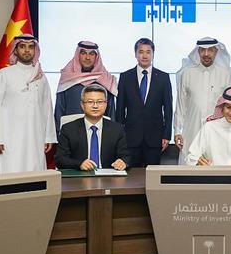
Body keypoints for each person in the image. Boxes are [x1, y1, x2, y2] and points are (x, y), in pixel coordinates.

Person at [0, 34, 56, 173]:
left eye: (31, 47)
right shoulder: (3, 74)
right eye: (22, 46)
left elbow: (47, 108)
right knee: (10, 173)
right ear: (15, 50)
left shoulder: (41, 77)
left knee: (35, 173)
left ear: (35, 50)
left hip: (35, 136)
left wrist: (49, 136)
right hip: (9, 138)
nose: (27, 50)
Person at [174, 37, 231, 164]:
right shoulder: (187, 73)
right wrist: (177, 131)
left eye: (210, 50)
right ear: (198, 52)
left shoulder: (226, 74)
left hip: (218, 132)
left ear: (216, 52)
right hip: (191, 130)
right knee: (190, 165)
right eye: (202, 50)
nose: (206, 54)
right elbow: (180, 106)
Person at [115, 38, 172, 166]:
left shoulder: (163, 77)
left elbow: (168, 109)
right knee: (131, 174)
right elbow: (120, 109)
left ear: (153, 54)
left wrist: (167, 135)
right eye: (141, 52)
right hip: (131, 137)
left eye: (148, 52)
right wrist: (119, 136)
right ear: (135, 54)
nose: (144, 55)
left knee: (152, 174)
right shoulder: (125, 77)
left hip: (155, 137)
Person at [55, 84, 130, 170]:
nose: (95, 106)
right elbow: (60, 159)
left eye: (100, 102)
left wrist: (122, 161)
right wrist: (79, 164)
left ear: (106, 104)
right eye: (90, 102)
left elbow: (126, 156)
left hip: (108, 176)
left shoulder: (117, 129)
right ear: (82, 105)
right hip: (80, 176)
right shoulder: (68, 129)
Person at [54, 41, 117, 133]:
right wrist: (58, 134)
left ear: (96, 57)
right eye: (83, 53)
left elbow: (111, 114)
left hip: (99, 134)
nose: (87, 57)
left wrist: (112, 135)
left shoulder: (106, 80)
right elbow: (59, 110)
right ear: (78, 55)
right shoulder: (67, 78)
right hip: (71, 133)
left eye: (91, 54)